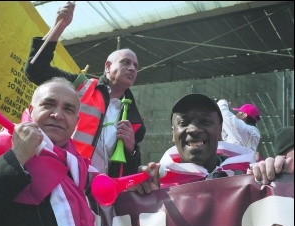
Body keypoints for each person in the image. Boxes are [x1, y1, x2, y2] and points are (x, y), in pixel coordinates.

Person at [0, 77, 95, 226]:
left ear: (76, 122)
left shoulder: (78, 167)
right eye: (48, 104)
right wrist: (15, 156)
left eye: (68, 109)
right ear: (31, 110)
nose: (57, 115)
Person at [24, 1, 145, 178]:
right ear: (108, 67)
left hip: (99, 195)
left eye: (136, 65)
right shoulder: (80, 86)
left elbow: (130, 169)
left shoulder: (135, 121)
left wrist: (131, 149)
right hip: (60, 176)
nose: (132, 68)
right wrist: (59, 26)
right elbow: (36, 70)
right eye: (126, 62)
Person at [136, 94, 290, 194]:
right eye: (184, 122)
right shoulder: (156, 183)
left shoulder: (252, 176)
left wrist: (279, 179)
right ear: (173, 133)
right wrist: (146, 200)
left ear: (220, 130)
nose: (194, 129)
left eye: (205, 121)